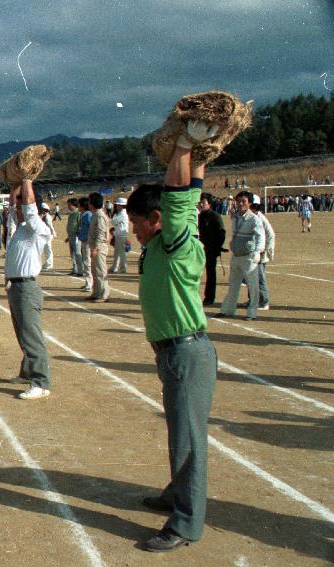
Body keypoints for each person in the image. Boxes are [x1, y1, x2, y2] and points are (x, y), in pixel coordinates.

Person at [126, 118, 218, 552]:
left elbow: (180, 200)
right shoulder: (159, 247)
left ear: (156, 220)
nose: (133, 231)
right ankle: (174, 495)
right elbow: (189, 192)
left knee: (189, 439)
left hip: (186, 353)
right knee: (179, 432)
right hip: (173, 353)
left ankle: (184, 524)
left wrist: (184, 144)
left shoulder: (177, 240)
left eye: (137, 223)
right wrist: (198, 159)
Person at [5, 180, 53, 400]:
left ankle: (41, 382)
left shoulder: (38, 228)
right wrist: (15, 183)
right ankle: (27, 373)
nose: (18, 209)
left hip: (27, 287)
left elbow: (30, 207)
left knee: (32, 336)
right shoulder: (22, 228)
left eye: (21, 206)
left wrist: (26, 179)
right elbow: (14, 204)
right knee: (22, 334)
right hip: (15, 287)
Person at [217, 190, 264, 320]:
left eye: (243, 201)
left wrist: (258, 252)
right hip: (236, 256)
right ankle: (228, 310)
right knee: (233, 285)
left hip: (249, 257)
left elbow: (261, 236)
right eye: (238, 201)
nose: (240, 204)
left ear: (249, 203)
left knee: (252, 286)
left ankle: (252, 313)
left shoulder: (254, 219)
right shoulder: (235, 217)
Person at [197, 193, 226, 306]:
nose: (201, 204)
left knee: (211, 273)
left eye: (203, 203)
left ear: (209, 204)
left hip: (211, 249)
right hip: (201, 248)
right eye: (200, 202)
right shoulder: (200, 216)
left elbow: (221, 233)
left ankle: (209, 297)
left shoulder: (215, 216)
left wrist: (217, 247)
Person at [86, 192, 110, 302]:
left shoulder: (100, 216)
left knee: (101, 271)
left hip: (99, 248)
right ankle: (96, 292)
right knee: (94, 271)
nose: (88, 203)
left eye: (89, 201)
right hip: (94, 247)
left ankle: (104, 295)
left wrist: (96, 248)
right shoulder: (95, 215)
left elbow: (101, 234)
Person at [252, 198, 275, 310]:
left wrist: (266, 250)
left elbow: (271, 235)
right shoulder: (251, 217)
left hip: (260, 254)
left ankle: (264, 302)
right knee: (251, 278)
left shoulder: (261, 218)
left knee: (260, 278)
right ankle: (254, 300)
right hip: (252, 253)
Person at [63, 198, 83, 277]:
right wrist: (68, 236)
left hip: (76, 236)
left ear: (74, 205)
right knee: (72, 254)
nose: (68, 206)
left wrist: (78, 235)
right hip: (71, 236)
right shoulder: (71, 214)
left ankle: (80, 270)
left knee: (78, 253)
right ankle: (75, 269)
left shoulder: (78, 213)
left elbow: (79, 225)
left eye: (69, 205)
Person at [110, 197, 130, 273]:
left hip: (121, 234)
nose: (116, 206)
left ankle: (122, 268)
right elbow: (114, 221)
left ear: (121, 205)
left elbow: (113, 222)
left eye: (118, 204)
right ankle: (114, 267)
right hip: (119, 234)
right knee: (117, 252)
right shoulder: (120, 213)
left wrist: (114, 217)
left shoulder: (122, 213)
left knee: (121, 252)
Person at [77, 198, 93, 291]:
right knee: (86, 262)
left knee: (87, 263)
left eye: (79, 204)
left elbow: (92, 228)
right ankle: (87, 282)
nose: (78, 206)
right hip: (83, 240)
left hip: (87, 241)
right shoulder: (83, 214)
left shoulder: (88, 215)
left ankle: (89, 284)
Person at [40, 203, 56, 271]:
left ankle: (49, 264)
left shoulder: (47, 217)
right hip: (45, 234)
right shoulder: (44, 216)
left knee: (48, 249)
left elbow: (50, 226)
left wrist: (53, 233)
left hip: (48, 235)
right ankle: (47, 263)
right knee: (46, 249)